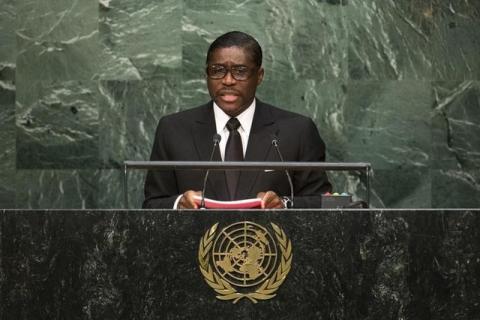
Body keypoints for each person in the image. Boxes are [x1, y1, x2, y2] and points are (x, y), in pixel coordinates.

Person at [143, 31, 331, 209]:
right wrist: (178, 204)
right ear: (206, 75)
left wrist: (283, 203)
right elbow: (152, 204)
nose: (228, 80)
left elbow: (321, 202)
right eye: (217, 70)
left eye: (240, 71)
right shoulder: (174, 130)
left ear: (259, 76)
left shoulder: (297, 131)